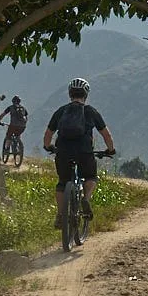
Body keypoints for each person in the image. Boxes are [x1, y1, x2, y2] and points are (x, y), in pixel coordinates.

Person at [42, 78, 116, 226]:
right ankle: (86, 199)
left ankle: (61, 215)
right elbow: (106, 135)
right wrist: (110, 150)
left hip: (63, 152)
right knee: (91, 177)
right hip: (84, 152)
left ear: (70, 93)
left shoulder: (61, 111)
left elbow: (48, 135)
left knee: (62, 183)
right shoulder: (91, 111)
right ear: (86, 94)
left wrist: (48, 147)